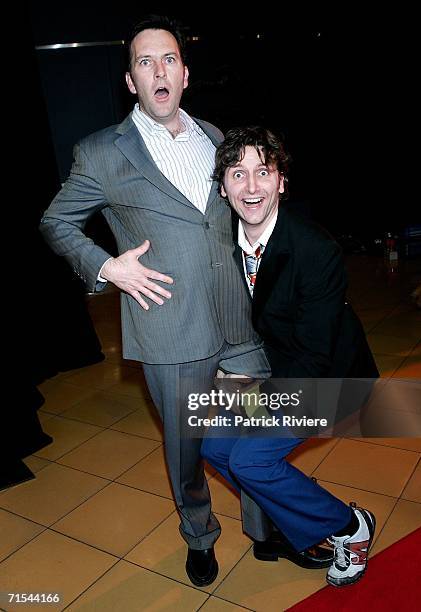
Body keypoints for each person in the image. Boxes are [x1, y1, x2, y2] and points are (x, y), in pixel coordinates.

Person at [40, 15, 276, 587]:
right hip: (170, 330)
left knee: (257, 434)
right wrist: (106, 266)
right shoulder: (101, 152)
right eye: (145, 62)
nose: (158, 70)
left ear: (185, 73)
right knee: (187, 448)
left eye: (167, 58)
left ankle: (266, 529)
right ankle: (199, 535)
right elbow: (56, 221)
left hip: (239, 323)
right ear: (131, 81)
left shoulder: (218, 138)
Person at [202, 126, 379, 587]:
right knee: (212, 445)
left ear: (281, 181)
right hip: (281, 373)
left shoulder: (314, 248)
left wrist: (258, 410)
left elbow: (315, 359)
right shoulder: (224, 242)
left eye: (264, 172)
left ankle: (349, 526)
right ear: (223, 188)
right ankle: (297, 505)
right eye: (238, 174)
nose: (252, 186)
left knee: (250, 462)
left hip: (332, 381)